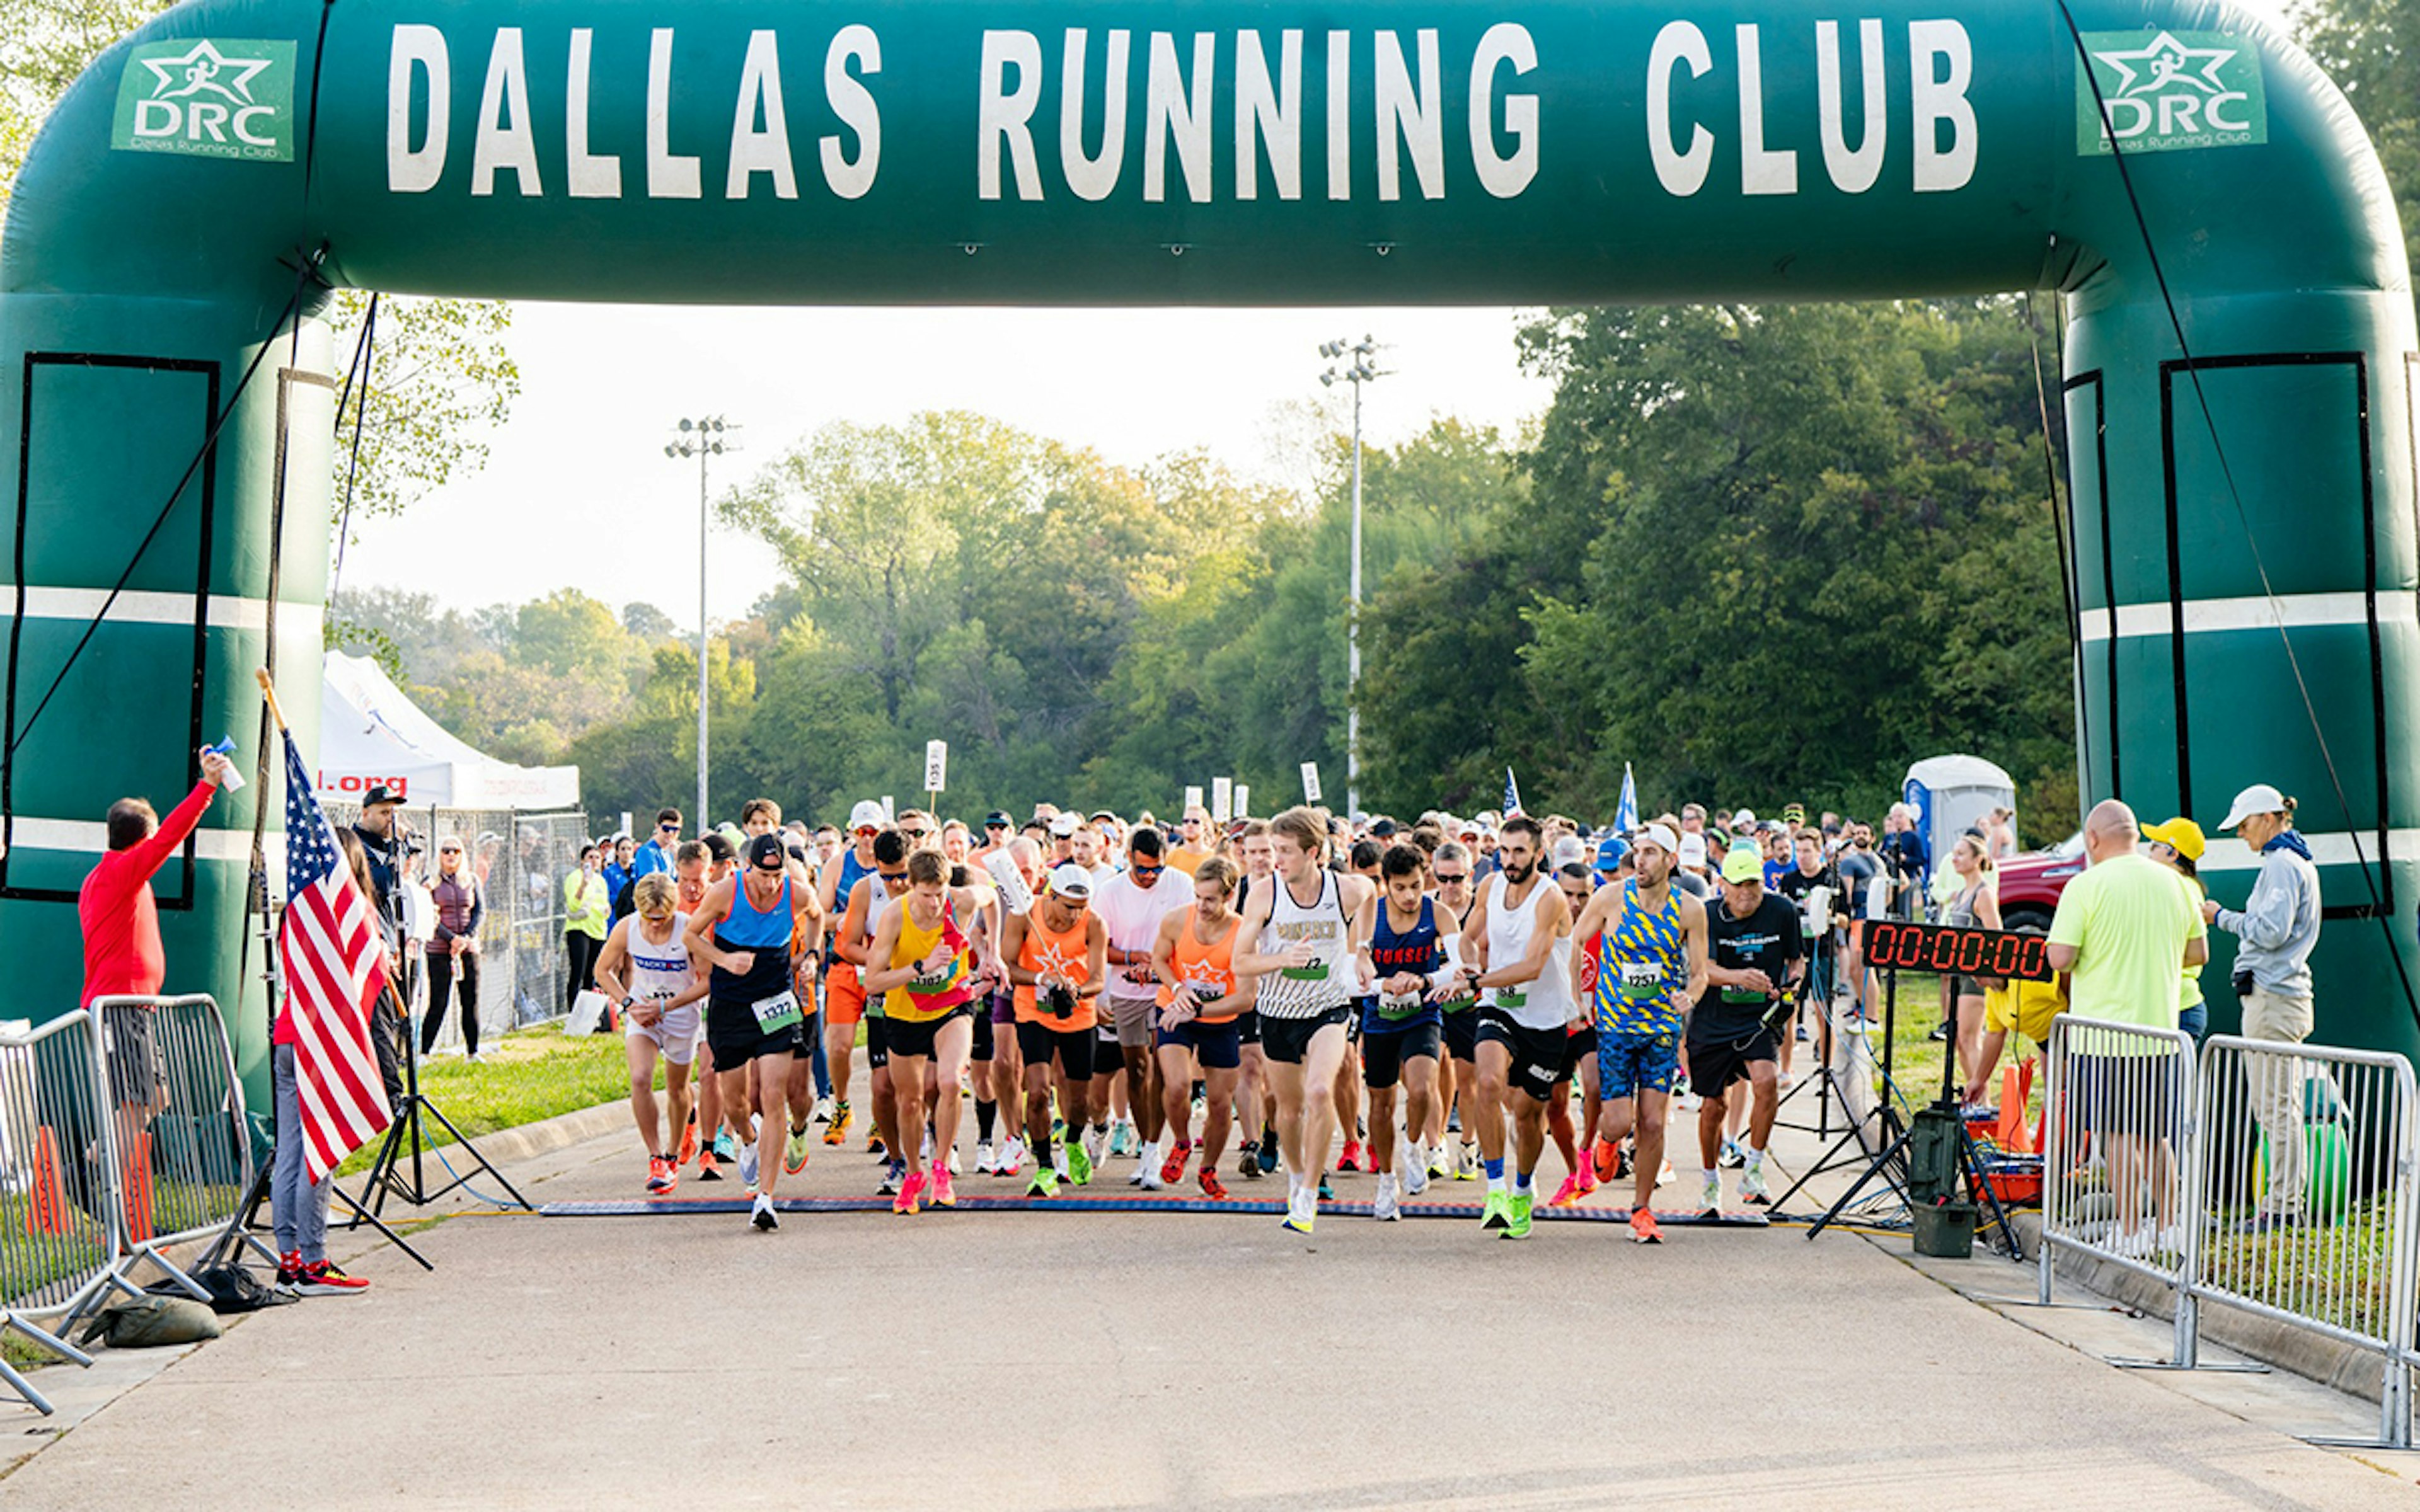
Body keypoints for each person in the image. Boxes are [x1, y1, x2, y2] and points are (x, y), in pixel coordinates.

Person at [2045, 799, 2208, 1256]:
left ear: (2093, 839)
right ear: (2135, 837)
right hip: (2159, 1029)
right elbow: (2198, 954)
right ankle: (2172, 1224)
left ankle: (2131, 1229)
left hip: (2103, 1034)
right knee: (2155, 1133)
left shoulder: (2085, 885)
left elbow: (2061, 957)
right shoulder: (2175, 885)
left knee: (2116, 1134)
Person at [1231, 806, 1373, 1235]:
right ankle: (1296, 1175)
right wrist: (1282, 958)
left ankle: (1310, 1191)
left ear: (1314, 852)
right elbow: (1240, 961)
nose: (1277, 859)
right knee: (1288, 1112)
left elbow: (1370, 894)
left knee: (1318, 1090)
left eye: (1287, 851)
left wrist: (1361, 950)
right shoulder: (1263, 893)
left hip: (1328, 1009)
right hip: (1277, 1013)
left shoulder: (1343, 889)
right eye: (1275, 850)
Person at [1572, 823, 1708, 1245]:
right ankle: (1607, 1144)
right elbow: (1577, 941)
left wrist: (1691, 996)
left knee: (1651, 1121)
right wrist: (1579, 996)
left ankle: (1642, 1209)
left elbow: (1701, 971)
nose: (1640, 861)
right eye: (1638, 852)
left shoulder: (1690, 909)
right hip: (1615, 1025)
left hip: (1661, 1029)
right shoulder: (1611, 897)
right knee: (1618, 1120)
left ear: (1671, 860)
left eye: (1651, 853)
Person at [684, 833, 820, 1232]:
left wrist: (810, 955)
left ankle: (766, 1197)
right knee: (736, 1102)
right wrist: (724, 958)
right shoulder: (726, 892)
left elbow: (816, 916)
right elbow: (691, 935)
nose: (771, 883)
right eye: (764, 875)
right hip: (731, 1004)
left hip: (776, 998)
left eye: (777, 874)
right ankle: (747, 1138)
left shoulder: (795, 892)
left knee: (772, 1095)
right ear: (749, 869)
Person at [2203, 784, 2322, 1234]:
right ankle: (2284, 1203)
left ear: (2269, 819)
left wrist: (2221, 917)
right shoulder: (2297, 861)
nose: (2241, 834)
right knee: (2279, 1106)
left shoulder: (2280, 865)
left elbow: (2270, 931)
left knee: (2274, 1108)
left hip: (2272, 997)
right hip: (2281, 995)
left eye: (2245, 824)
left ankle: (2284, 1207)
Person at [1455, 816, 1574, 1240]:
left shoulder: (1551, 898)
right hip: (1497, 1006)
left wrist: (1476, 980)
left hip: (1543, 1018)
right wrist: (1468, 962)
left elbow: (1531, 966)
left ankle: (1523, 1187)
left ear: (1539, 854)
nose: (1509, 860)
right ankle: (1495, 1190)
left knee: (1528, 1116)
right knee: (1487, 1082)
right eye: (1503, 851)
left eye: (1519, 851)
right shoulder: (1489, 887)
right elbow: (1466, 936)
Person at [269, 827, 376, 1296]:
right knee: (321, 1152)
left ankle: (289, 1259)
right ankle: (314, 1261)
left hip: (288, 1034)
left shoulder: (298, 911)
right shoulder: (346, 912)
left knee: (291, 1151)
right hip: (321, 1042)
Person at [860, 849, 985, 1214]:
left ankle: (942, 1165)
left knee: (949, 1082)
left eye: (940, 894)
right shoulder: (894, 917)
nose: (934, 904)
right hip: (905, 1013)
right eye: (926, 895)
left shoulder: (959, 902)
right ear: (910, 887)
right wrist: (920, 967)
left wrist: (988, 953)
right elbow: (873, 981)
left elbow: (990, 896)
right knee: (910, 1100)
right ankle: (913, 1173)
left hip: (953, 1005)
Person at [1689, 846, 1802, 1212]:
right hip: (1713, 1020)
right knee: (1713, 1105)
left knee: (1766, 1082)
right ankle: (1710, 1182)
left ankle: (1753, 1168)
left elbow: (1796, 960)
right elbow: (1701, 969)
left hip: (1759, 1018)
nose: (1747, 893)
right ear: (1722, 885)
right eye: (1738, 885)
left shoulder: (1782, 910)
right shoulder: (1706, 915)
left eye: (1753, 884)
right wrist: (1739, 977)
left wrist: (1792, 986)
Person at [79, 745, 236, 1005]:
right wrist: (207, 786)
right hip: (122, 1005)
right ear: (142, 841)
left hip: (124, 1003)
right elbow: (169, 836)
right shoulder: (121, 873)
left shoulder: (104, 876)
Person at [1352, 843, 1456, 1219]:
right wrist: (1385, 984)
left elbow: (1461, 968)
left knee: (1422, 1087)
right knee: (1380, 1104)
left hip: (1422, 1015)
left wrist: (1424, 979)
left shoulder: (1438, 913)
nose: (1410, 896)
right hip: (1380, 1018)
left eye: (1415, 885)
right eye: (1400, 888)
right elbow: (1351, 978)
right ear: (1386, 885)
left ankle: (1413, 1145)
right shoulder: (1368, 915)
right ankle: (1385, 1179)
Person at [595, 873, 710, 1194]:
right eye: (650, 918)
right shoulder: (627, 927)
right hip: (643, 1016)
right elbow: (602, 971)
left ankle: (674, 1152)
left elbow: (707, 980)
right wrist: (629, 1003)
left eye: (663, 918)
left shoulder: (688, 927)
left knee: (677, 1089)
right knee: (641, 1079)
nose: (656, 924)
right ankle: (656, 1156)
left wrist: (667, 1007)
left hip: (680, 1015)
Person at [1151, 855, 1255, 1198]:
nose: (1202, 905)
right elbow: (1158, 959)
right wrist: (1179, 989)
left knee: (1221, 1104)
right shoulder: (1177, 920)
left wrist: (1197, 1010)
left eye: (1210, 899)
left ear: (1229, 897)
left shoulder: (1242, 932)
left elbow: (1245, 999)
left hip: (1218, 1019)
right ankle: (1181, 1143)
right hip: (1174, 1009)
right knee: (1178, 1084)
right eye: (1197, 897)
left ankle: (1208, 1169)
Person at [1003, 864, 1109, 1196]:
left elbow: (1098, 979)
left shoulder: (1094, 923)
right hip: (1033, 1009)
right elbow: (1009, 964)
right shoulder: (1024, 914)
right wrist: (1041, 979)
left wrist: (1077, 990)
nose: (1075, 915)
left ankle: (1075, 1140)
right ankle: (1045, 1167)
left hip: (1077, 1014)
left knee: (1080, 1100)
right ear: (1051, 896)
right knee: (1036, 1091)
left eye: (1081, 907)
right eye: (1068, 907)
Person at [1095, 826, 1192, 1188]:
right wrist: (1131, 957)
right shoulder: (1110, 892)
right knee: (1136, 1069)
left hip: (1168, 989)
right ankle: (1143, 1141)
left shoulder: (1181, 884)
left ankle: (1153, 1148)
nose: (1150, 877)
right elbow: (1098, 947)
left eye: (1157, 870)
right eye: (1142, 870)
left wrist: (1162, 966)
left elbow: (1190, 934)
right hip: (1126, 990)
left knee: (1164, 1068)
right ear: (1128, 860)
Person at [817, 801, 889, 1147]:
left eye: (873, 832)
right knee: (840, 1045)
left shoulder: (890, 863)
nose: (868, 839)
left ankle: (880, 1116)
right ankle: (842, 1105)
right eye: (862, 832)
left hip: (880, 967)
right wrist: (847, 920)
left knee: (882, 1047)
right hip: (845, 964)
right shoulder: (838, 865)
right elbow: (819, 915)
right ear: (852, 832)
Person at [1939, 832, 2002, 1097]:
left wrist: (1985, 972)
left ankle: (1983, 1101)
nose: (1955, 858)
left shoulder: (1983, 893)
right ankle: (1977, 1099)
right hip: (1958, 972)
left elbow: (1997, 937)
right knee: (1959, 1042)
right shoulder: (1960, 894)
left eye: (1961, 854)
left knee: (1969, 1038)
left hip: (1976, 977)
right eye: (1954, 853)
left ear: (1978, 860)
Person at [2140, 816, 2210, 1042]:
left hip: (2176, 1006)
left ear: (2173, 854)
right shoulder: (2189, 887)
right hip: (2182, 1004)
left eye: (2154, 847)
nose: (2149, 853)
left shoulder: (2178, 889)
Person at [420, 836, 486, 1060]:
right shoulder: (431, 882)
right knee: (439, 1001)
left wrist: (466, 937)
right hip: (440, 950)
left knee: (470, 1000)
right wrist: (451, 939)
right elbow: (428, 914)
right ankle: (424, 1052)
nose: (451, 855)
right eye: (446, 851)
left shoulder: (472, 880)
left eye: (456, 851)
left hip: (468, 949)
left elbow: (479, 912)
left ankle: (473, 1051)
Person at [562, 842, 612, 1017]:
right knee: (578, 971)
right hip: (580, 928)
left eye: (597, 857)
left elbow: (603, 903)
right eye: (590, 857)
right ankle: (573, 1013)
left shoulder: (601, 881)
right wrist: (583, 885)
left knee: (592, 974)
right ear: (583, 860)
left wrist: (607, 911)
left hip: (597, 930)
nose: (594, 861)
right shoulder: (575, 877)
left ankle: (588, 1014)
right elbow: (573, 905)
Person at [631, 808, 682, 878]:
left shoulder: (671, 853)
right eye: (666, 829)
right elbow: (653, 884)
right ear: (657, 827)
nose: (670, 833)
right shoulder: (647, 852)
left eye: (675, 830)